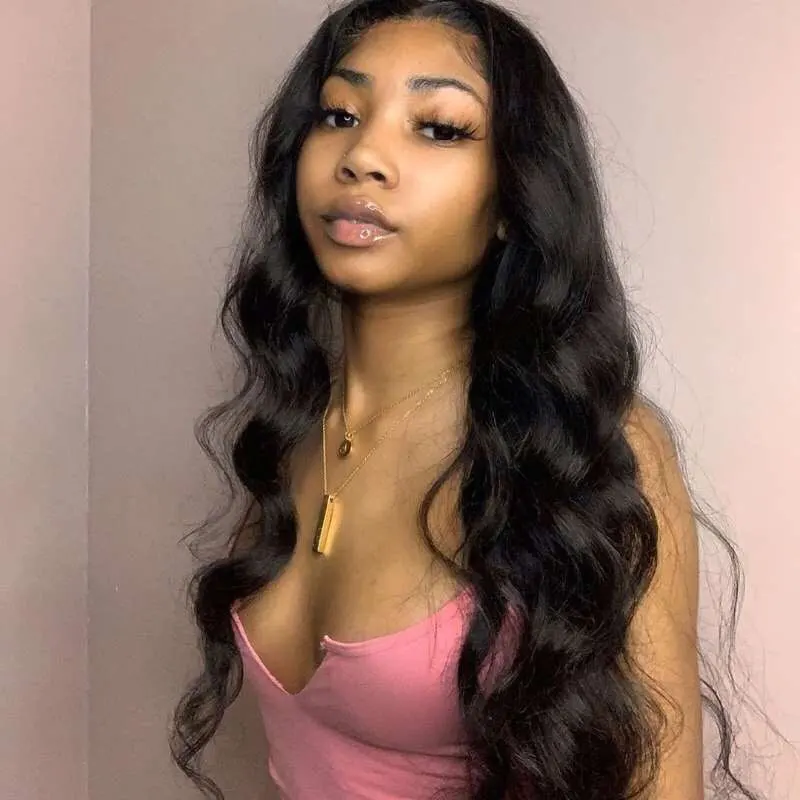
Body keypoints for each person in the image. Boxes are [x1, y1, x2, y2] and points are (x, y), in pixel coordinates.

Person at [170, 1, 763, 798]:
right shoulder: (291, 436)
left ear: (515, 198)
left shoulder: (593, 448)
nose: (363, 155)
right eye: (339, 114)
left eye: (440, 128)